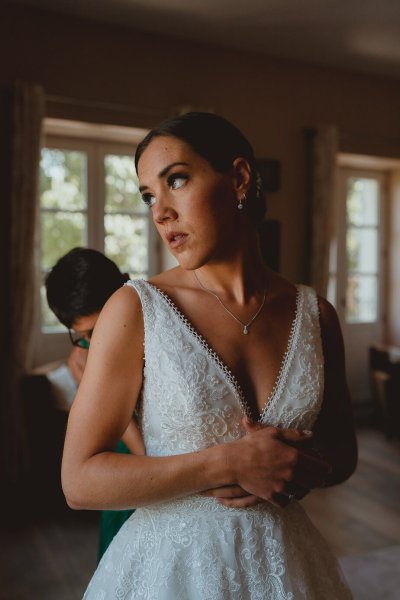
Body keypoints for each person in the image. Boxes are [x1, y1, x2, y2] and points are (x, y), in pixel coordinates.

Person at [61, 112, 357, 599]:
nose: (160, 212)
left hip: (288, 566)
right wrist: (228, 464)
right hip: (173, 572)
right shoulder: (136, 308)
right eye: (149, 196)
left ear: (238, 178)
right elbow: (79, 480)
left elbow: (343, 454)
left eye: (176, 180)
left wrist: (295, 463)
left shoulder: (315, 314)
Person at [45, 247, 145, 561]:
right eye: (84, 334)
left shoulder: (151, 321)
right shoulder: (82, 357)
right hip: (133, 458)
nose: (94, 341)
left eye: (101, 327)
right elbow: (129, 431)